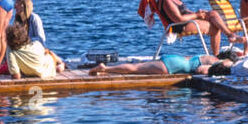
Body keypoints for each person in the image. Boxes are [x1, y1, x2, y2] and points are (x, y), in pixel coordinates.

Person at [157, 0, 246, 55]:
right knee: (214, 29)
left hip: (187, 20)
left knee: (212, 14)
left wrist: (198, 13)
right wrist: (196, 15)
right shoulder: (166, 0)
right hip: (180, 26)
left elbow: (183, 12)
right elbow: (178, 19)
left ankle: (230, 35)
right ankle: (215, 57)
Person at [89, 53, 235, 76]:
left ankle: (106, 69)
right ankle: (105, 68)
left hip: (176, 58)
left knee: (139, 67)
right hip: (175, 66)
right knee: (135, 70)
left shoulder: (210, 56)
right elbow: (202, 70)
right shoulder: (222, 63)